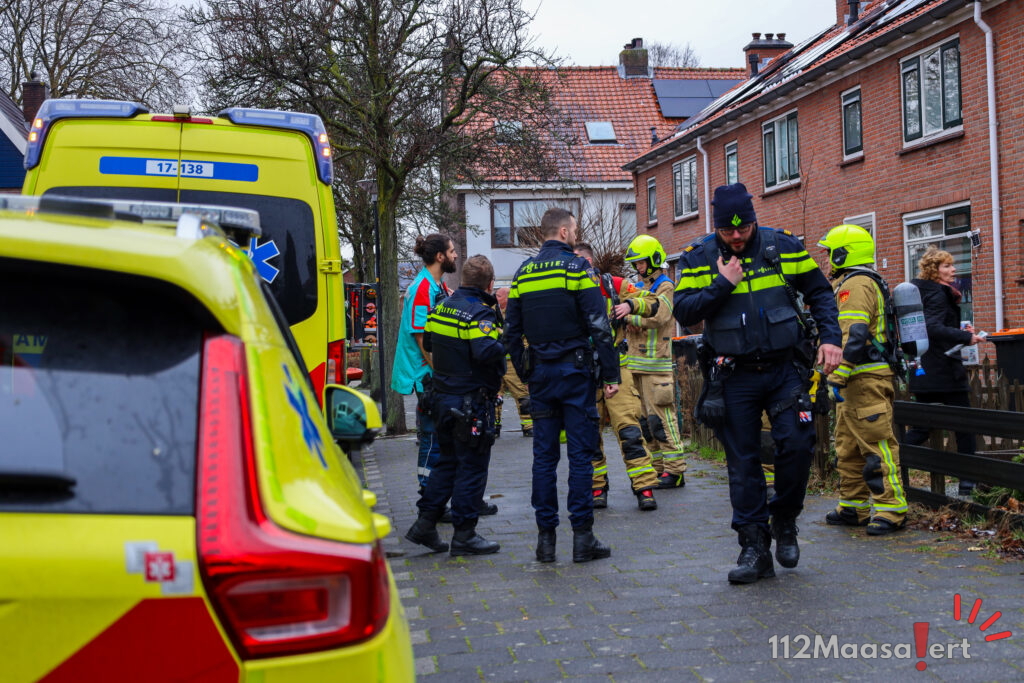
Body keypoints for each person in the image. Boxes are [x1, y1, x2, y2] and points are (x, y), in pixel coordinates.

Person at [672, 183, 842, 584]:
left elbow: (820, 293)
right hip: (734, 375)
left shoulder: (782, 246)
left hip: (785, 370)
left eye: (744, 228)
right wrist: (722, 284)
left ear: (753, 220)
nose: (736, 236)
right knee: (743, 463)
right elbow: (684, 311)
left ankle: (784, 518)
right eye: (727, 230)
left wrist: (831, 338)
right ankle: (754, 548)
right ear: (716, 227)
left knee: (797, 446)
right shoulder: (699, 257)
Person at [505, 208, 620, 563]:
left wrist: (526, 373)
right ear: (566, 232)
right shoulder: (577, 268)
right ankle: (583, 539)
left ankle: (546, 542)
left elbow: (511, 333)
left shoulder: (523, 274)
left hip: (541, 376)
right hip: (575, 375)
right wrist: (611, 374)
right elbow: (599, 324)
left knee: (544, 458)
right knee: (580, 456)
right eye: (575, 229)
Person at [391, 233, 498, 517]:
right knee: (431, 438)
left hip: (437, 375)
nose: (455, 255)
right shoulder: (422, 288)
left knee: (450, 438)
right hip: (427, 374)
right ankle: (431, 502)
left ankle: (457, 499)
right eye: (451, 252)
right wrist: (442, 372)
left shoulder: (436, 285)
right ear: (440, 256)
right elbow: (421, 338)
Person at [404, 256, 505, 556]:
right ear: (489, 284)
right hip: (470, 402)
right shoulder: (480, 314)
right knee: (472, 468)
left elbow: (430, 344)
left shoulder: (440, 308)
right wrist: (505, 341)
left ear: (463, 280)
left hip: (442, 400)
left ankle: (424, 524)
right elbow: (485, 351)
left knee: (446, 463)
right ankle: (464, 535)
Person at [819, 224, 908, 535]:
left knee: (876, 445)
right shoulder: (855, 282)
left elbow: (853, 334)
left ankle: (891, 510)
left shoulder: (855, 285)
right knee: (848, 447)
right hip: (855, 379)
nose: (826, 260)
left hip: (865, 378)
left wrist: (837, 375)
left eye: (829, 253)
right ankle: (852, 506)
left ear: (843, 254)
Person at [574, 242, 659, 511]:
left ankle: (644, 488)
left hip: (617, 368)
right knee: (590, 435)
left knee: (630, 430)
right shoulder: (568, 291)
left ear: (589, 262)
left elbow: (653, 302)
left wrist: (631, 305)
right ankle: (597, 488)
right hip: (585, 371)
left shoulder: (615, 285)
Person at [903, 247, 985, 496]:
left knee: (922, 427)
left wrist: (959, 330)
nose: (953, 269)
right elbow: (932, 327)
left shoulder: (921, 292)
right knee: (964, 426)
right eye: (947, 266)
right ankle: (967, 482)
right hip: (945, 371)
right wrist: (965, 337)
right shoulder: (938, 294)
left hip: (923, 369)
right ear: (934, 270)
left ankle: (882, 461)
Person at [619, 234, 689, 489]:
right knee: (646, 424)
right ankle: (658, 468)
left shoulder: (665, 286)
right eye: (636, 263)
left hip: (656, 365)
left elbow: (660, 317)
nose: (638, 268)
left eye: (642, 262)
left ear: (654, 260)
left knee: (662, 420)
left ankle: (675, 470)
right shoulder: (640, 287)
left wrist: (630, 318)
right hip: (637, 364)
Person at [494, 287, 533, 437]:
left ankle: (528, 425)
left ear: (507, 298)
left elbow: (523, 337)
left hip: (512, 363)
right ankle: (494, 425)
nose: (496, 298)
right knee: (495, 395)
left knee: (522, 394)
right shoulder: (491, 312)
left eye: (498, 295)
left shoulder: (517, 312)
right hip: (496, 361)